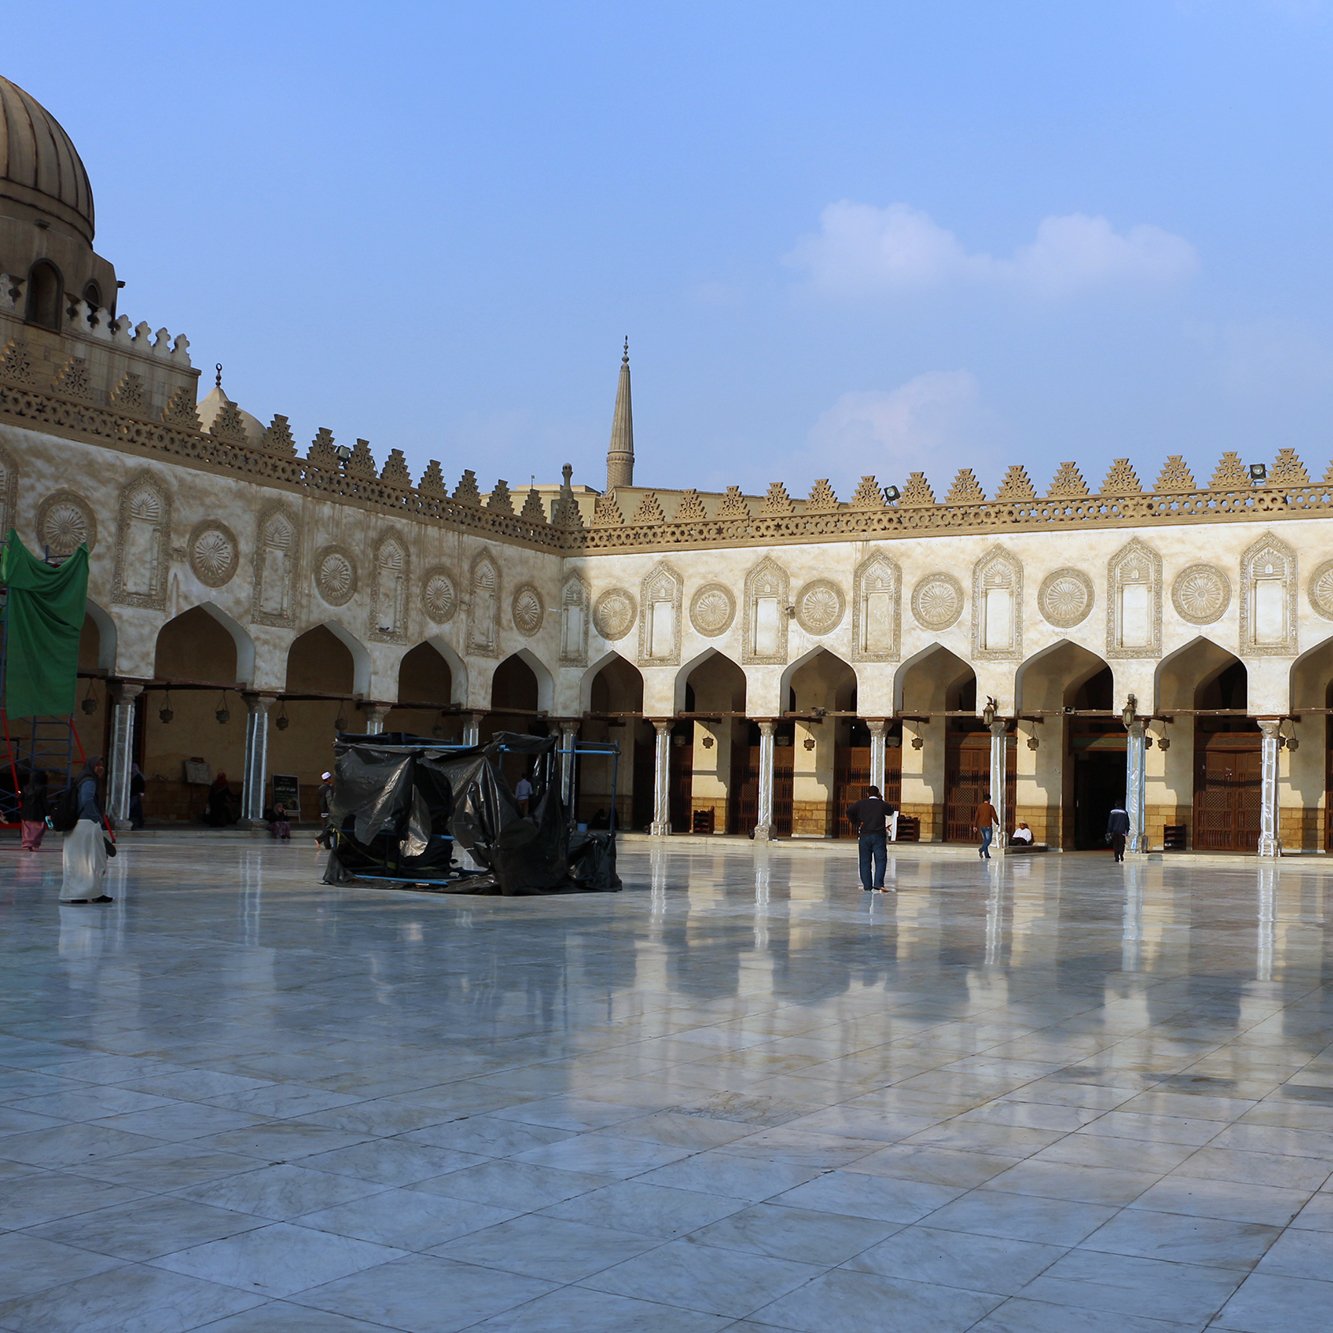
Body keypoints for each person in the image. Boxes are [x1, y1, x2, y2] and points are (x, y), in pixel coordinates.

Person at [60, 757, 112, 904]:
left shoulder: (81, 779)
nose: (100, 768)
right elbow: (86, 800)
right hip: (86, 824)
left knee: (80, 862)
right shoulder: (89, 781)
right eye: (97, 765)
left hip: (78, 825)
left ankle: (83, 894)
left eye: (102, 765)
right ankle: (87, 894)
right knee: (92, 861)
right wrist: (96, 818)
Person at [848, 784, 894, 892]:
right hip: (878, 836)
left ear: (867, 794)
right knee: (881, 860)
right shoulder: (881, 804)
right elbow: (890, 811)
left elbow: (849, 811)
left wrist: (857, 823)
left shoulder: (861, 804)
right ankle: (878, 883)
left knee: (864, 861)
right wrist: (881, 799)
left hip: (865, 836)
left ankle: (867, 886)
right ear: (878, 794)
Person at [20, 767, 49, 850]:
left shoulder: (26, 788)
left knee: (27, 829)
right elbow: (44, 801)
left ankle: (27, 843)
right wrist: (48, 812)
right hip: (38, 812)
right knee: (38, 829)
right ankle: (35, 844)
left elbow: (20, 798)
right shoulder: (42, 788)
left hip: (26, 812)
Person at [975, 792, 999, 860]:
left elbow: (976, 816)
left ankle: (986, 854)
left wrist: (975, 825)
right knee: (988, 840)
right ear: (989, 799)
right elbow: (994, 816)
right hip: (988, 825)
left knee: (985, 840)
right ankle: (981, 849)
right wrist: (997, 823)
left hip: (981, 826)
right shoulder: (990, 807)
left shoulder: (980, 806)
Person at [316, 771, 335, 848]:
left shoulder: (320, 788)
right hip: (328, 811)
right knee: (330, 828)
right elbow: (329, 800)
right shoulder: (328, 789)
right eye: (330, 778)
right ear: (328, 779)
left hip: (322, 811)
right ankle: (319, 839)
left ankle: (327, 845)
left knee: (325, 828)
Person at [129, 763, 146, 830]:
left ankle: (137, 823)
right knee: (136, 809)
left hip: (135, 795)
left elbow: (142, 785)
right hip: (133, 795)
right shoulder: (132, 776)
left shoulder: (138, 776)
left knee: (134, 809)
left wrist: (141, 793)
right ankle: (138, 823)